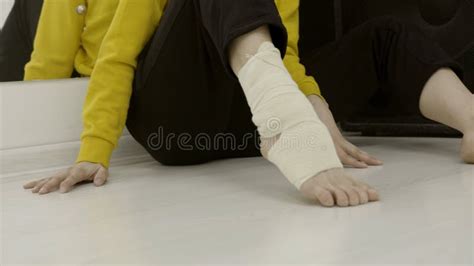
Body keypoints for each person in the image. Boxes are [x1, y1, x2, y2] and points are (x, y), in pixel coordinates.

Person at [1, 0, 472, 207]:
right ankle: (287, 129)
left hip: (244, 123)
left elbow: (281, 53)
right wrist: (92, 150)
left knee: (383, 36)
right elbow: (117, 58)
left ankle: (470, 119)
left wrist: (315, 103)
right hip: (176, 128)